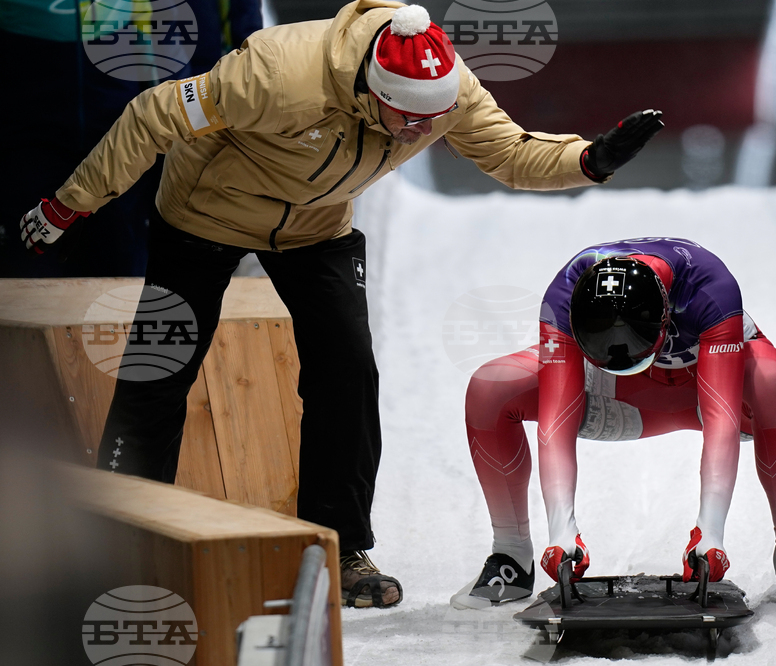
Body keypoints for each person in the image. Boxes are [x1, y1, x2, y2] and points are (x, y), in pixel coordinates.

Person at [17, 1, 663, 609]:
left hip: (316, 228)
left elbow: (511, 151)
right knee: (161, 369)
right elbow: (151, 116)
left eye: (429, 122)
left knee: (349, 368)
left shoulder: (442, 91)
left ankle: (343, 547)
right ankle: (118, 541)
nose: (421, 131)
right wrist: (67, 203)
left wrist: (591, 158)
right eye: (407, 121)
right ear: (370, 93)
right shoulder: (274, 73)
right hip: (204, 212)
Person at [452, 237, 776, 609]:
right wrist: (561, 533)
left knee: (771, 379)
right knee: (490, 388)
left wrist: (710, 534)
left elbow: (720, 417)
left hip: (715, 388)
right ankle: (512, 556)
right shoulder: (564, 292)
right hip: (619, 393)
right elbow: (556, 419)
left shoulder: (709, 285)